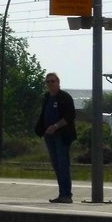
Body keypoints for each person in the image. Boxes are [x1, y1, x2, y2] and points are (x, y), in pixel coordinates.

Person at [34, 72, 76, 204]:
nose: (50, 84)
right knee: (56, 165)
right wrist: (41, 129)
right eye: (48, 82)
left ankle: (66, 194)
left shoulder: (65, 97)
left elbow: (70, 116)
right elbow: (43, 114)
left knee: (63, 164)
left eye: (53, 81)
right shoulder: (46, 97)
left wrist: (56, 126)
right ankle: (62, 193)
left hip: (62, 136)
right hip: (49, 136)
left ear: (58, 82)